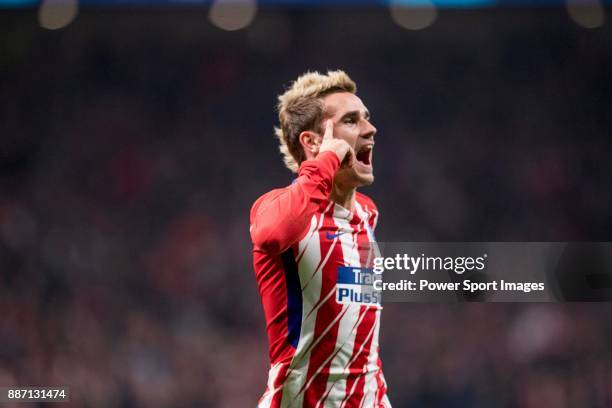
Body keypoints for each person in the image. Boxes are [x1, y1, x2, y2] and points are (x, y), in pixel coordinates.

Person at [250, 70, 391, 407]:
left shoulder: (367, 215)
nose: (370, 130)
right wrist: (326, 161)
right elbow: (272, 235)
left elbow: (359, 340)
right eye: (351, 121)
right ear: (313, 142)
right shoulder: (277, 209)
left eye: (367, 119)